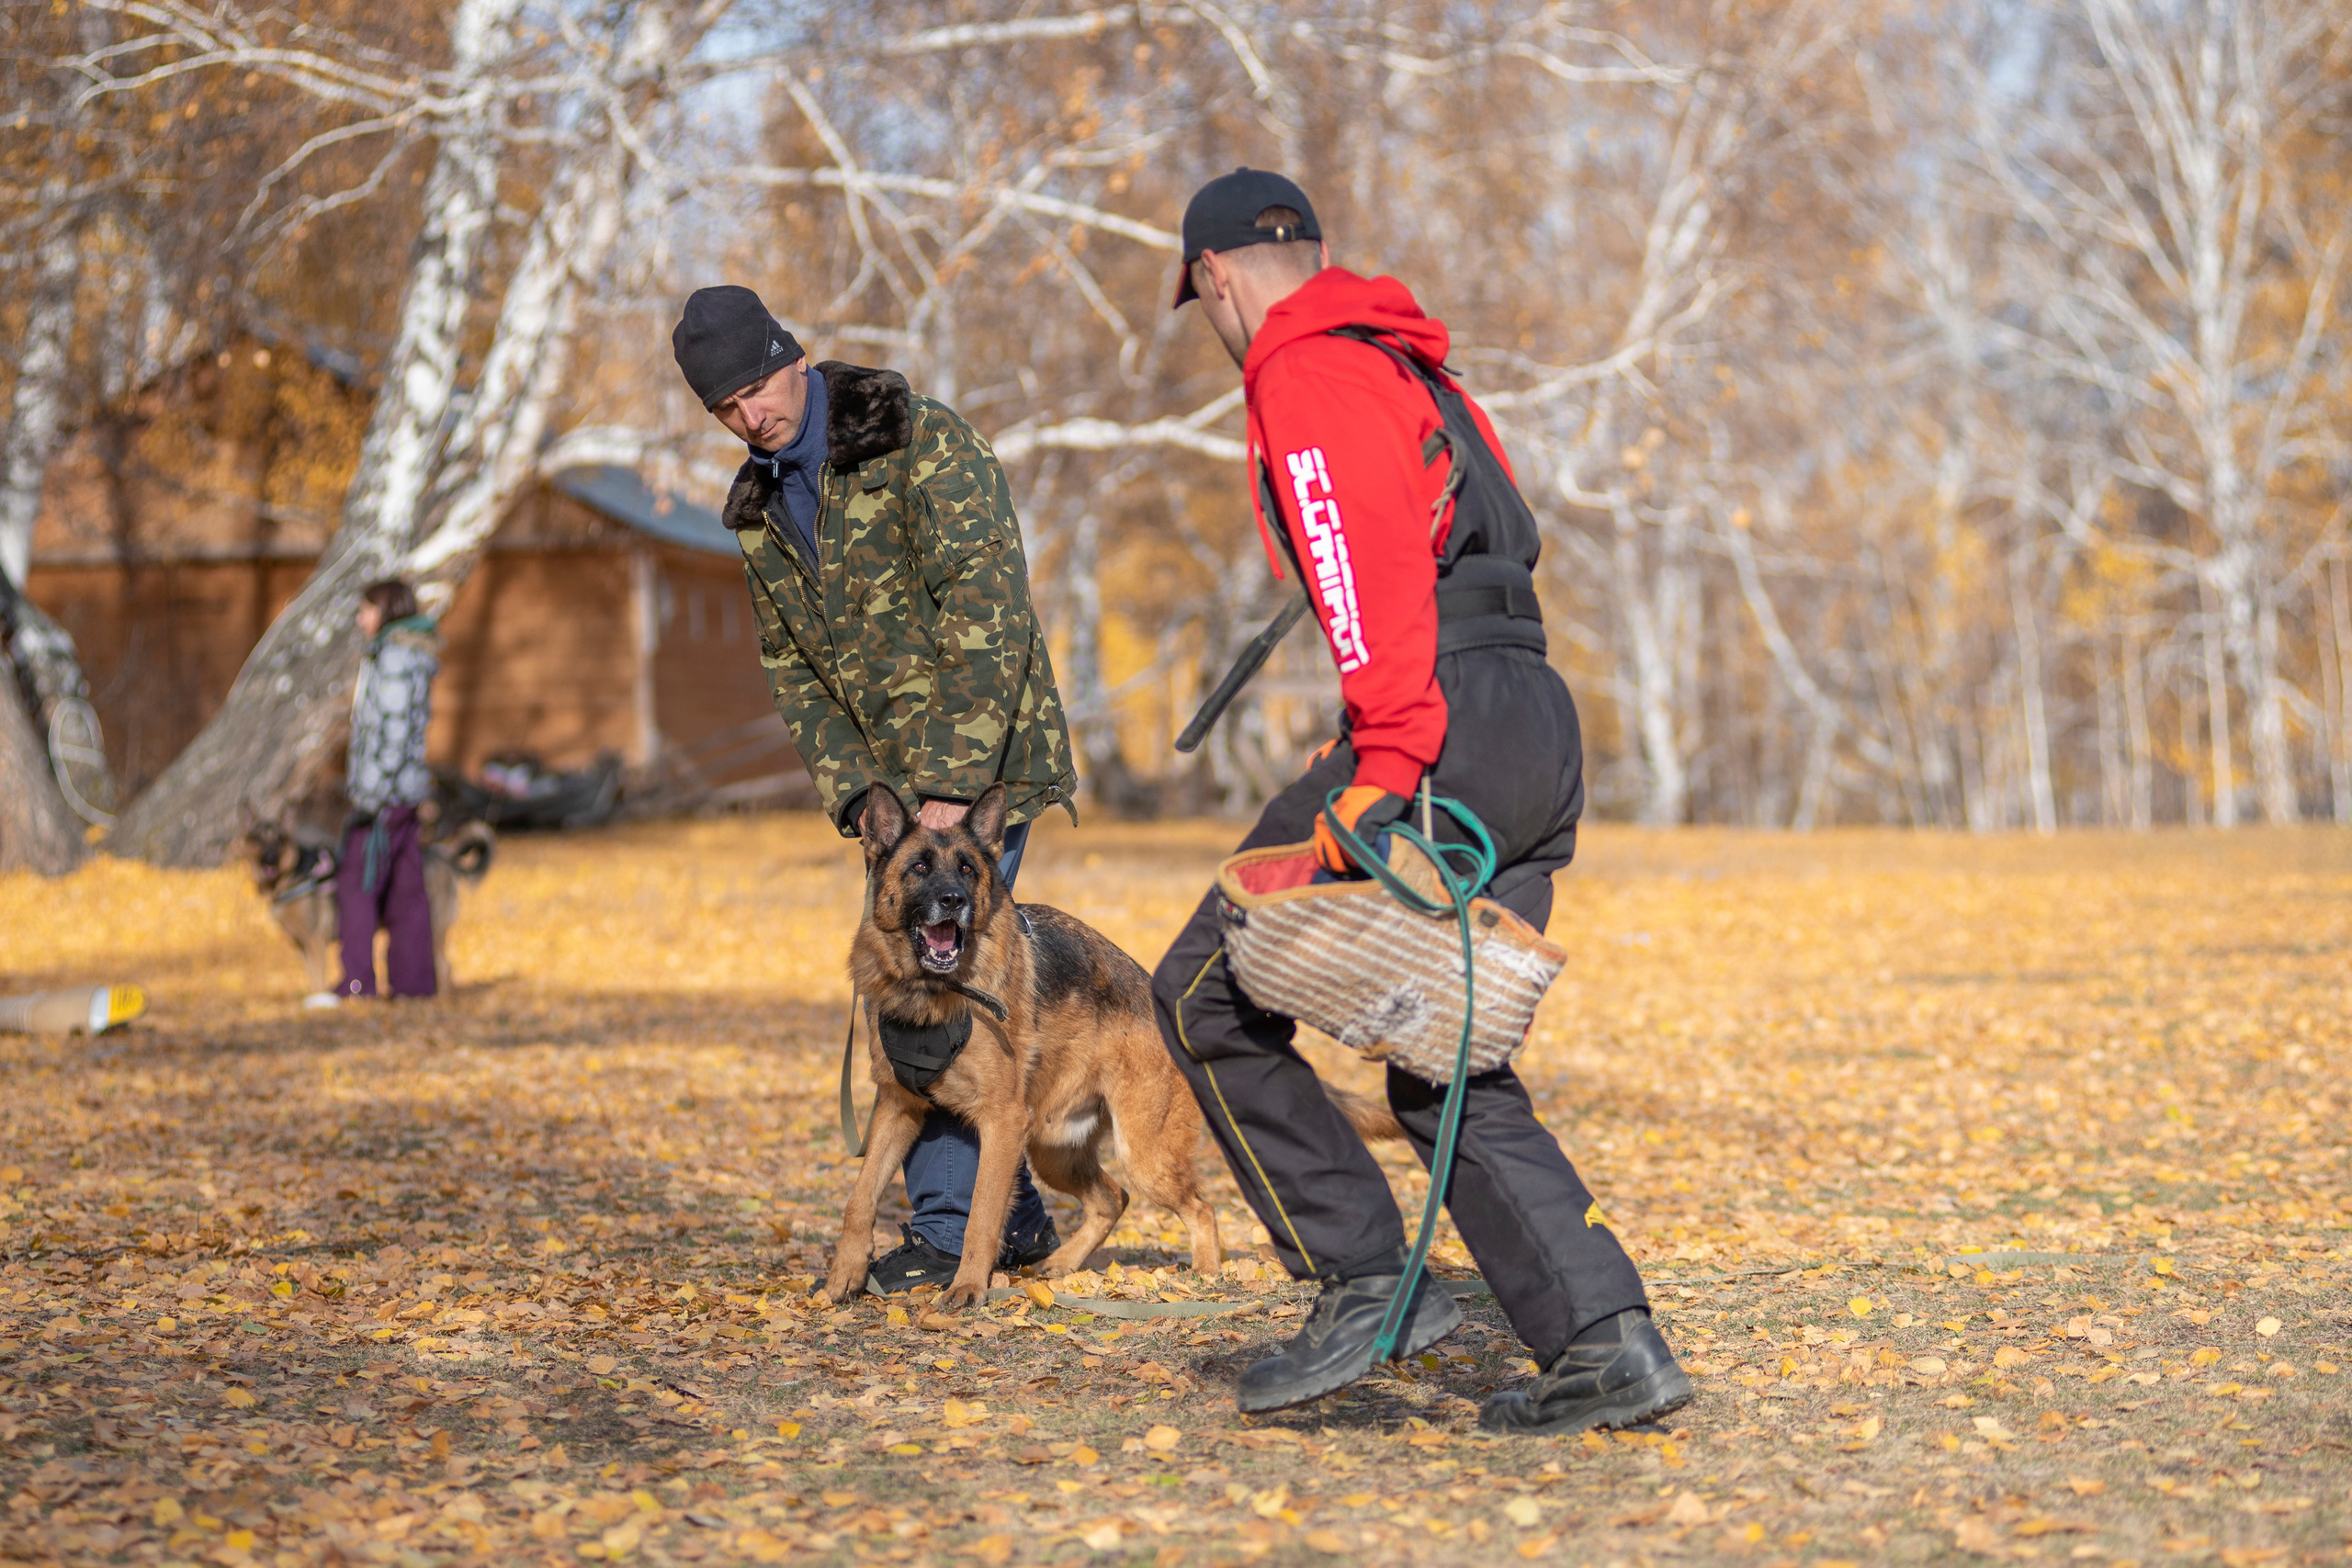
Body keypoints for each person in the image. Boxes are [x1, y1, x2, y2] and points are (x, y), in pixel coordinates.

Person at [1150, 169, 1691, 1432]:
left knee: (1199, 991)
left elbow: (1360, 559)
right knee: (1447, 1054)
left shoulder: (1304, 370)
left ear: (1215, 277)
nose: (1214, 324)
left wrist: (1385, 768)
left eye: (1203, 303)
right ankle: (1607, 1342)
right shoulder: (1410, 366)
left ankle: (1359, 1279)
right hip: (1530, 721)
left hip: (1436, 729)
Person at [673, 286, 1080, 1292]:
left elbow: (990, 608)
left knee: (947, 982)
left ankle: (948, 1233)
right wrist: (859, 796)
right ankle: (1009, 1214)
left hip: (981, 766)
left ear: (793, 358)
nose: (748, 416)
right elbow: (792, 671)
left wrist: (946, 789)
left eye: (756, 389)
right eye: (724, 407)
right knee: (910, 985)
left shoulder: (917, 442)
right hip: (889, 802)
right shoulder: (761, 511)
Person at [319, 578, 442, 1008]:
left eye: (366, 609)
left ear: (386, 611)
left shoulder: (393, 659)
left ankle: (356, 982)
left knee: (356, 882)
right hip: (406, 793)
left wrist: (371, 794)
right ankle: (414, 983)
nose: (361, 618)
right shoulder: (411, 656)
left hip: (384, 798)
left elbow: (391, 734)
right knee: (406, 889)